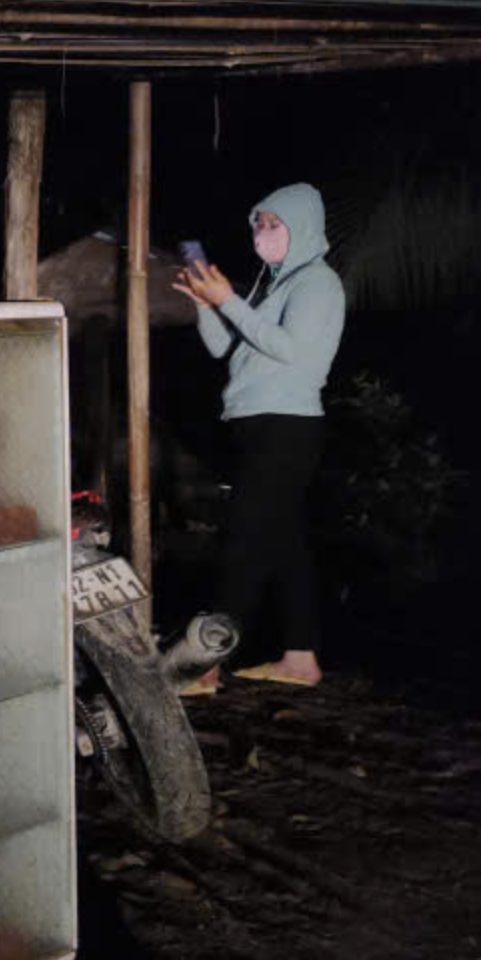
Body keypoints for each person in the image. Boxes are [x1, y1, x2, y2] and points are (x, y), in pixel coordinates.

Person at [172, 182, 347, 690]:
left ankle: (204, 665)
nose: (264, 234)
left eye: (275, 225)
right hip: (257, 425)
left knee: (244, 544)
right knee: (285, 545)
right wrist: (208, 306)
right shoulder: (268, 285)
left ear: (303, 227)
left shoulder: (318, 283)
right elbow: (225, 351)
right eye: (259, 225)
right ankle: (300, 658)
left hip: (287, 427)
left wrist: (228, 300)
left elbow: (290, 350)